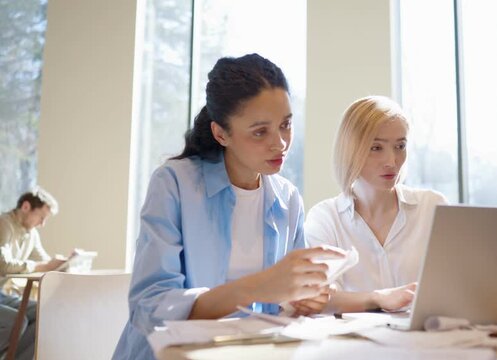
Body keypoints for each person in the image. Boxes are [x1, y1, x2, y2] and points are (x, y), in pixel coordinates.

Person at [113, 54, 342, 360]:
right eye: (260, 131)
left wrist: (304, 298)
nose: (281, 143)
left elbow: (284, 304)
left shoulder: (287, 198)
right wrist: (257, 287)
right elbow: (152, 308)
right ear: (221, 133)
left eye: (286, 125)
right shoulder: (174, 183)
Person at [302, 95, 448, 314]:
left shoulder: (433, 207)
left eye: (400, 146)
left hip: (423, 338)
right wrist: (378, 298)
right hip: (352, 344)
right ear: (350, 150)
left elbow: (458, 283)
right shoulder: (325, 218)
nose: (392, 161)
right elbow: (319, 299)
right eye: (376, 148)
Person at [0, 186, 67, 360]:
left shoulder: (31, 234)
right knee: (18, 321)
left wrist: (63, 263)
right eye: (41, 217)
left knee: (44, 313)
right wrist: (42, 266)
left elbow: (45, 262)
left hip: (1, 295)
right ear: (26, 207)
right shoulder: (4, 224)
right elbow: (3, 265)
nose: (42, 224)